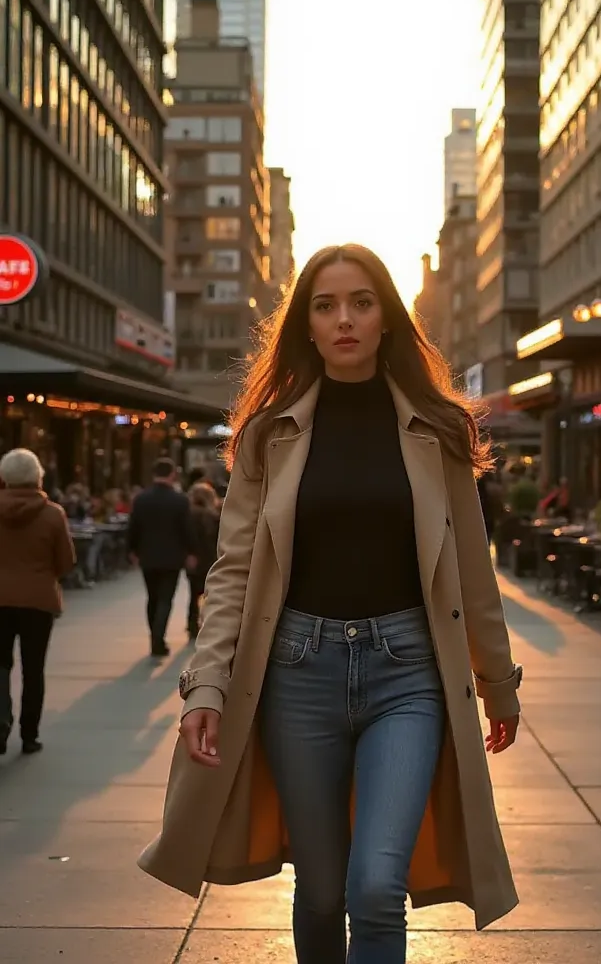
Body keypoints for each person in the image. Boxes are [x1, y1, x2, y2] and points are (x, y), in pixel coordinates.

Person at [138, 244, 522, 963]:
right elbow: (232, 571)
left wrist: (498, 683)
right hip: (297, 674)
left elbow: (473, 570)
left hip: (408, 674)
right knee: (319, 890)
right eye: (325, 305)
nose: (344, 318)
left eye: (361, 302)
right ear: (307, 326)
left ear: (387, 319)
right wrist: (206, 687)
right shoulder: (267, 434)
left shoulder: (438, 427)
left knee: (376, 886)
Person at [0, 448, 76, 755]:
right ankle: (29, 734)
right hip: (39, 600)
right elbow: (67, 561)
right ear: (37, 476)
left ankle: (0, 722)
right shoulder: (52, 513)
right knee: (34, 668)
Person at [127, 458, 197, 658]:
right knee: (166, 598)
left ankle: (154, 636)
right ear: (172, 474)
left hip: (147, 556)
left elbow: (133, 527)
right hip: (172, 557)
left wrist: (131, 549)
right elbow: (187, 529)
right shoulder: (180, 500)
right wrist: (191, 552)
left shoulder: (141, 499)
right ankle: (158, 638)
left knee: (152, 597)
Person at [186, 482, 220, 640]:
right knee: (211, 594)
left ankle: (192, 625)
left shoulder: (188, 515)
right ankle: (209, 624)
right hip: (212, 559)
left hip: (194, 560)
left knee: (193, 594)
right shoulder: (214, 516)